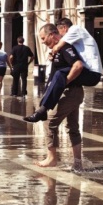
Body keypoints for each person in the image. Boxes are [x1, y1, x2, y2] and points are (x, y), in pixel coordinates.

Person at [23, 18, 102, 122]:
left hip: (92, 73)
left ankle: (43, 110)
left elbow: (77, 65)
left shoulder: (76, 29)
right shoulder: (72, 42)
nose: (58, 34)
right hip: (85, 74)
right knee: (56, 73)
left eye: (58, 31)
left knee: (60, 73)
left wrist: (64, 82)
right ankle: (42, 109)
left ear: (64, 28)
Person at [32, 23, 84, 171]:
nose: (42, 42)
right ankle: (78, 163)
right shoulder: (59, 49)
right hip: (74, 92)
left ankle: (52, 158)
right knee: (72, 126)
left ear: (52, 35)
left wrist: (63, 83)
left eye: (43, 38)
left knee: (49, 122)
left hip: (70, 92)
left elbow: (78, 66)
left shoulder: (65, 48)